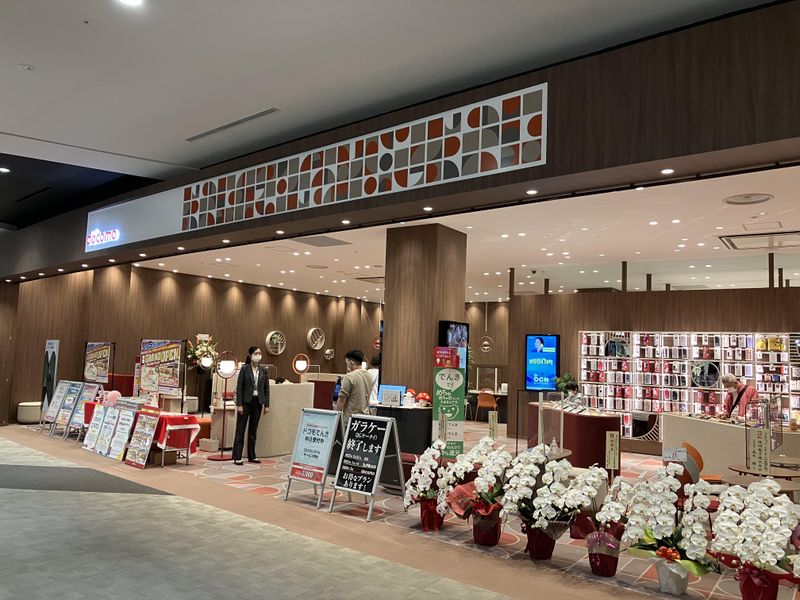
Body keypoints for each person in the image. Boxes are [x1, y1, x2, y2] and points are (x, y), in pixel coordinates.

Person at [233, 346, 270, 465]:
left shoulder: (263, 370)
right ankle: (237, 456)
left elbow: (266, 389)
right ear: (250, 355)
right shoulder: (244, 369)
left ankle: (252, 456)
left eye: (259, 353)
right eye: (256, 353)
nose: (258, 355)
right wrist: (239, 404)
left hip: (257, 402)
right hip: (245, 402)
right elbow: (239, 387)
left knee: (253, 431)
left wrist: (267, 404)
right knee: (240, 429)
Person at [337, 349, 372, 424]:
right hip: (365, 418)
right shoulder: (369, 376)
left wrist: (336, 416)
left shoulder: (349, 377)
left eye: (347, 363)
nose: (347, 365)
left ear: (351, 362)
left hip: (350, 419)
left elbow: (341, 399)